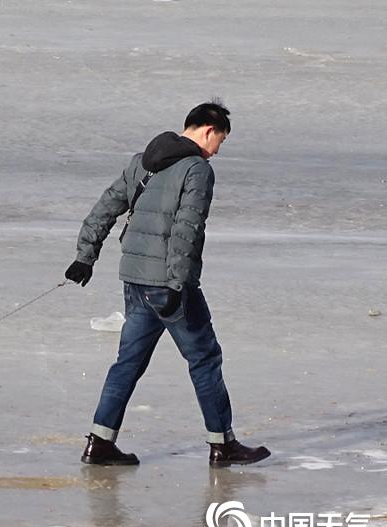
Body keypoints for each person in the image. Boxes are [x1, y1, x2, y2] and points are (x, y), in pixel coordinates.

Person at [64, 101, 270, 467]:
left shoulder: (142, 160)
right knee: (205, 360)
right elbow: (187, 231)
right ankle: (223, 446)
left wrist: (85, 257)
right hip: (169, 286)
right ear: (209, 130)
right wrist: (177, 285)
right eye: (221, 140)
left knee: (127, 363)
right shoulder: (196, 170)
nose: (219, 149)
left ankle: (100, 442)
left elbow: (104, 207)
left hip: (135, 281)